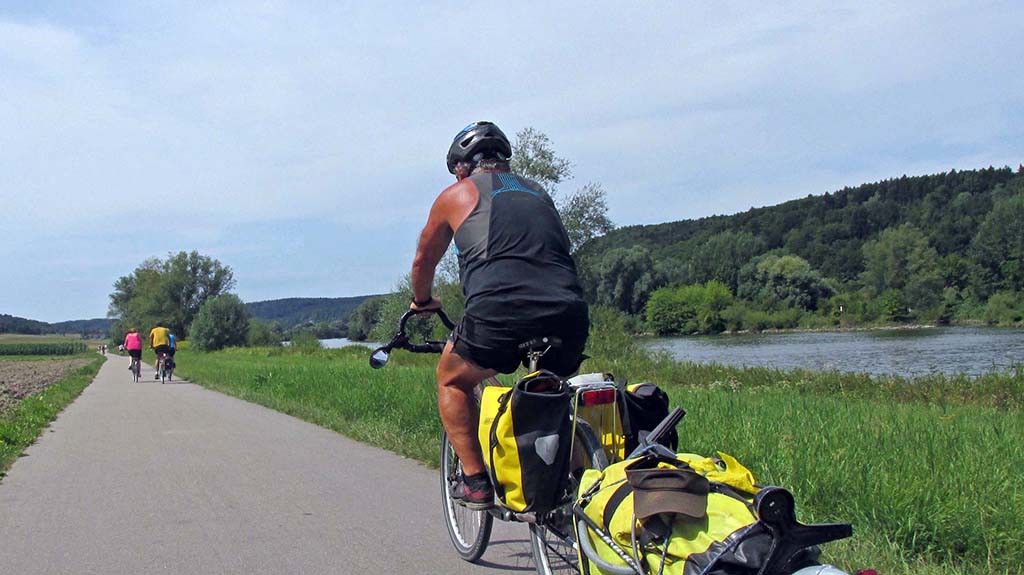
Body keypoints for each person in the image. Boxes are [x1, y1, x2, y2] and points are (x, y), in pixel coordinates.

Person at [408, 121, 589, 509]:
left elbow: (424, 259)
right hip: (568, 311)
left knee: (452, 379)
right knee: (551, 385)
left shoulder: (455, 194)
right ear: (504, 161)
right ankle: (579, 480)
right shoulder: (539, 193)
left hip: (498, 312)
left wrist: (422, 301)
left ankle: (475, 481)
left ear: (461, 168)